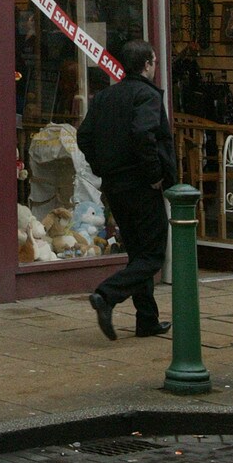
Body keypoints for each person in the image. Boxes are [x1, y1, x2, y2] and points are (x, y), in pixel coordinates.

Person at [77, 41, 178, 341]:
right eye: (155, 62)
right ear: (147, 64)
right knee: (153, 255)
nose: (155, 66)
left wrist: (101, 166)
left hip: (115, 186)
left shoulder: (105, 97)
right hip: (141, 186)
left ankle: (147, 319)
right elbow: (143, 133)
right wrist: (155, 175)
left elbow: (84, 136)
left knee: (138, 253)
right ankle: (107, 295)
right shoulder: (146, 95)